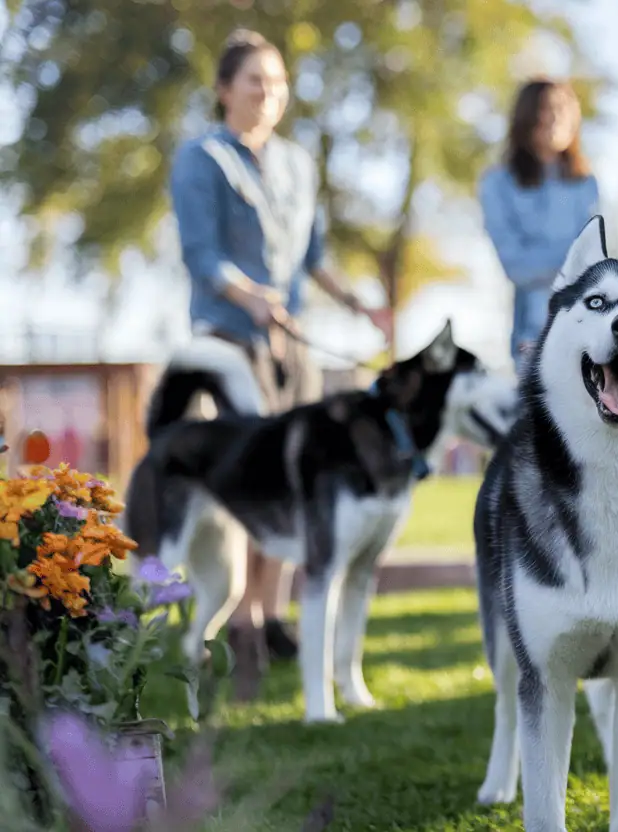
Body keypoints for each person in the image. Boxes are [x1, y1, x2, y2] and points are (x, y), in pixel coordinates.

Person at [168, 29, 391, 685]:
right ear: (224, 91)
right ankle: (234, 622)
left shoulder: (297, 162)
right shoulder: (201, 159)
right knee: (248, 484)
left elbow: (313, 257)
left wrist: (358, 303)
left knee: (297, 482)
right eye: (255, 82)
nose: (270, 94)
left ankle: (270, 619)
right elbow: (201, 256)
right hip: (228, 341)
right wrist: (252, 296)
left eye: (278, 83)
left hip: (294, 344)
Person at [479, 78, 599, 373]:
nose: (557, 116)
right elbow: (517, 267)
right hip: (531, 340)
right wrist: (572, 258)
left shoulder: (586, 184)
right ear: (527, 115)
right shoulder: (496, 183)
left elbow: (595, 262)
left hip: (591, 337)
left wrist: (553, 258)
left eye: (564, 107)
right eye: (547, 108)